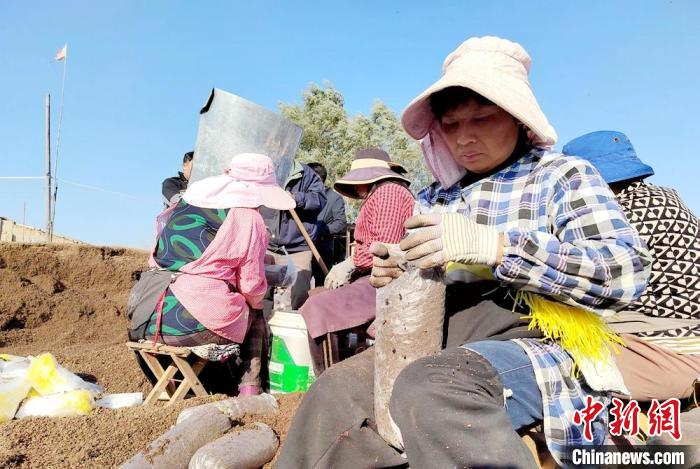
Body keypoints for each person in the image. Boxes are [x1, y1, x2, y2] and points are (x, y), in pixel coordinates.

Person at [276, 36, 652, 468]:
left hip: (534, 340)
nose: (464, 137)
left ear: (517, 117)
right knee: (334, 391)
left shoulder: (562, 176)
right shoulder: (435, 197)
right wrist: (393, 274)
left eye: (482, 118)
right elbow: (413, 281)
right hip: (444, 338)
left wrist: (497, 247)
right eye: (451, 125)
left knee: (433, 387)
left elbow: (625, 273)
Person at [128, 153, 295, 396]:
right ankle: (250, 391)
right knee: (255, 309)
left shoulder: (183, 205)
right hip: (191, 323)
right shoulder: (248, 218)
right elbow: (252, 286)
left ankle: (178, 389)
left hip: (146, 314)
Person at [563, 130, 700, 401]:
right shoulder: (663, 199)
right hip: (680, 336)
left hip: (669, 346)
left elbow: (578, 277)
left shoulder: (621, 217)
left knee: (540, 367)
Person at [300, 149, 414, 375]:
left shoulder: (388, 192)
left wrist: (351, 262)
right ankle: (346, 365)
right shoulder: (385, 193)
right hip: (376, 276)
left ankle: (329, 379)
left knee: (318, 308)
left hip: (387, 280)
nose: (357, 188)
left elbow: (383, 248)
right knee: (316, 295)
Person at [261, 161, 326, 311]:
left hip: (299, 247)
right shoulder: (263, 170)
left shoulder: (306, 173)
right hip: (267, 244)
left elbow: (319, 200)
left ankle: (292, 331)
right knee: (260, 294)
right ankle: (261, 328)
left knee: (298, 297)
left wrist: (295, 197)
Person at [307, 162, 347, 287]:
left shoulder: (334, 198)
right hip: (302, 249)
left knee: (321, 287)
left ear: (316, 178)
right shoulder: (303, 196)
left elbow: (340, 223)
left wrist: (318, 230)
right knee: (300, 287)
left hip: (323, 249)